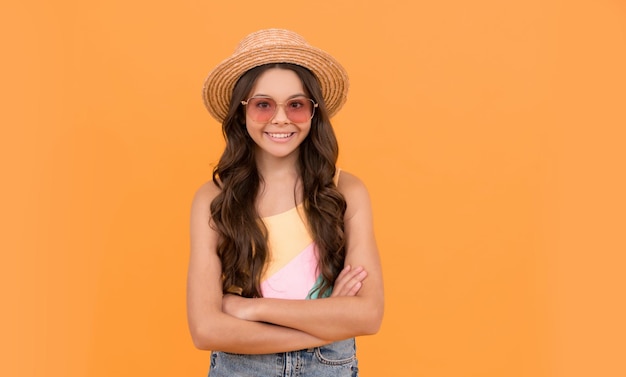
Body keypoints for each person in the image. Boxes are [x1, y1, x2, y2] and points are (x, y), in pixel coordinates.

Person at [187, 29, 384, 377]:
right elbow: (206, 330)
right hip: (240, 369)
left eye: (296, 104)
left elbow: (368, 315)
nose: (280, 118)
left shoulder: (345, 191)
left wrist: (250, 310)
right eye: (263, 105)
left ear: (313, 112)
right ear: (241, 112)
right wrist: (328, 318)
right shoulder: (214, 198)